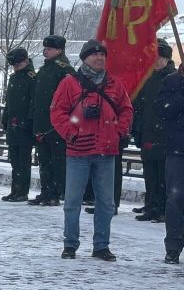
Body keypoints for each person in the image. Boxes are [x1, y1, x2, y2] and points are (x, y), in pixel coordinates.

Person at [50, 39, 133, 261]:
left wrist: (119, 131)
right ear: (85, 58)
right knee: (72, 201)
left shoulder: (115, 83)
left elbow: (126, 110)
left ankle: (101, 246)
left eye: (102, 55)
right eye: (95, 55)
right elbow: (57, 112)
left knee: (106, 202)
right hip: (79, 150)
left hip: (107, 150)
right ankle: (70, 244)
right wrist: (72, 132)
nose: (100, 58)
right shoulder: (69, 83)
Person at [131, 40, 176, 223]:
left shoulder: (173, 79)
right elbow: (139, 106)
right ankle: (151, 205)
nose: (156, 62)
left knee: (163, 175)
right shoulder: (147, 79)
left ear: (167, 59)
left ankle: (162, 208)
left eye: (160, 58)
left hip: (165, 134)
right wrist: (137, 129)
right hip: (148, 132)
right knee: (150, 173)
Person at [30, 35, 73, 206]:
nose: (45, 51)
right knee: (44, 160)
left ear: (59, 50)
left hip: (56, 124)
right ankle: (45, 191)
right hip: (42, 122)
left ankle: (55, 193)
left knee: (57, 161)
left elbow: (69, 97)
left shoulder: (64, 69)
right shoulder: (45, 69)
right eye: (45, 48)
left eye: (49, 49)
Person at [156, 52, 184, 263]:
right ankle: (173, 246)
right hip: (177, 150)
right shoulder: (171, 81)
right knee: (175, 199)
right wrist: (180, 98)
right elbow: (162, 110)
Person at [0, 47, 37, 202]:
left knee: (23, 161)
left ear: (26, 61)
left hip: (24, 126)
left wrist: (27, 122)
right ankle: (15, 190)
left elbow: (33, 103)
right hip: (13, 124)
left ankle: (22, 191)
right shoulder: (14, 78)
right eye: (14, 65)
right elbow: (9, 102)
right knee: (15, 162)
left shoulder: (31, 78)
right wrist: (5, 119)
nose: (15, 67)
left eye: (17, 64)